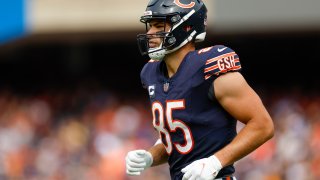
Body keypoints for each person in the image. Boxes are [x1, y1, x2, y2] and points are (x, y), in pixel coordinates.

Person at [125, 0, 274, 179]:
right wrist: (150, 156)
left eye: (159, 26)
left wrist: (215, 162)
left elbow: (263, 125)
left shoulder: (209, 66)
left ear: (186, 27)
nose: (150, 33)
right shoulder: (152, 73)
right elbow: (179, 140)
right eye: (150, 26)